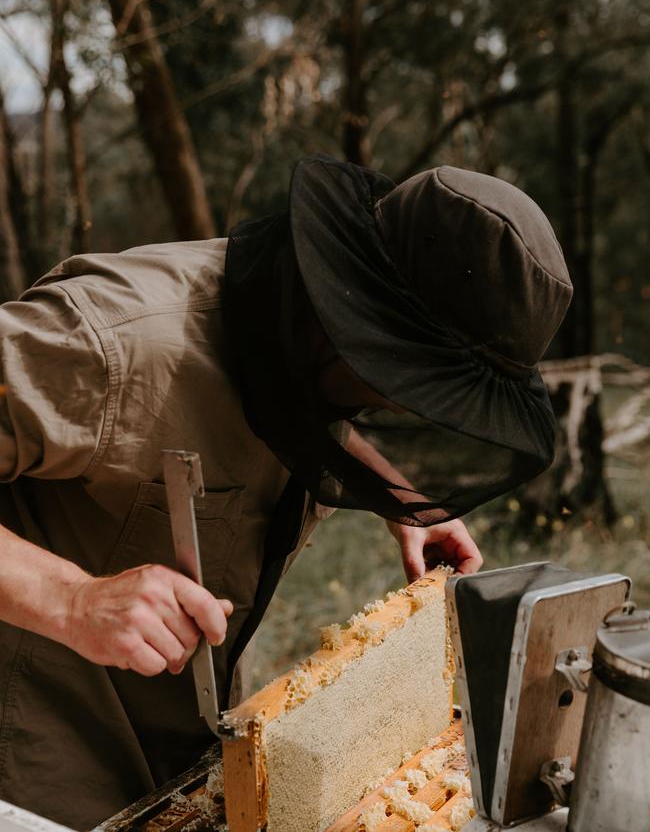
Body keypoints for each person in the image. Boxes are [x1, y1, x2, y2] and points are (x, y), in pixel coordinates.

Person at [0, 154, 572, 828]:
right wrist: (75, 600)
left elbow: (290, 410)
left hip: (174, 748)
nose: (403, 406)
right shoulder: (109, 341)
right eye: (409, 380)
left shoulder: (296, 331)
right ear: (362, 324)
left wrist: (394, 497)